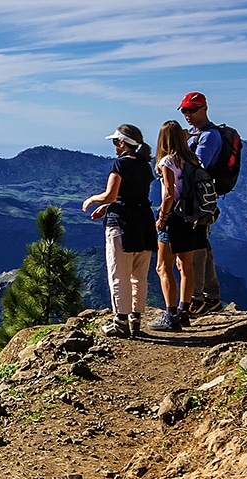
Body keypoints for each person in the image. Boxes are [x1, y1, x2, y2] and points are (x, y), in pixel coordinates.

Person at [82, 124, 155, 337]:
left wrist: (94, 200)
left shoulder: (120, 164)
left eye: (115, 142)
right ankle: (135, 320)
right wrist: (107, 207)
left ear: (123, 143)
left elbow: (111, 195)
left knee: (119, 273)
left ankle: (120, 322)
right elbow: (133, 196)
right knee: (139, 275)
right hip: (144, 222)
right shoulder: (144, 165)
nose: (114, 146)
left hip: (122, 224)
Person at [149, 120, 208, 332]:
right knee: (186, 266)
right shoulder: (193, 159)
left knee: (163, 267)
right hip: (191, 217)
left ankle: (170, 316)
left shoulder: (167, 161)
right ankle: (184, 312)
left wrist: (162, 218)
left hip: (173, 217)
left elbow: (168, 194)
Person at [180, 92, 223, 315]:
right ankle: (211, 297)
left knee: (195, 247)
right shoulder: (195, 135)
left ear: (204, 108)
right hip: (194, 200)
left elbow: (197, 166)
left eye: (192, 109)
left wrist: (178, 147)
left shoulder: (209, 137)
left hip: (198, 202)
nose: (187, 114)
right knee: (202, 245)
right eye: (184, 110)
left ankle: (196, 299)